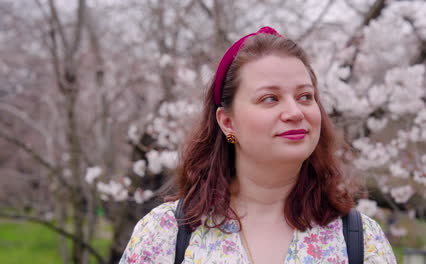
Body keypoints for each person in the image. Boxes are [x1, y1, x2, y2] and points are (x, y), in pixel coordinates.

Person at [120, 26, 396, 264]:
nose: (295, 112)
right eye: (270, 99)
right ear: (227, 122)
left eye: (305, 96)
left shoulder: (358, 240)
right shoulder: (167, 234)